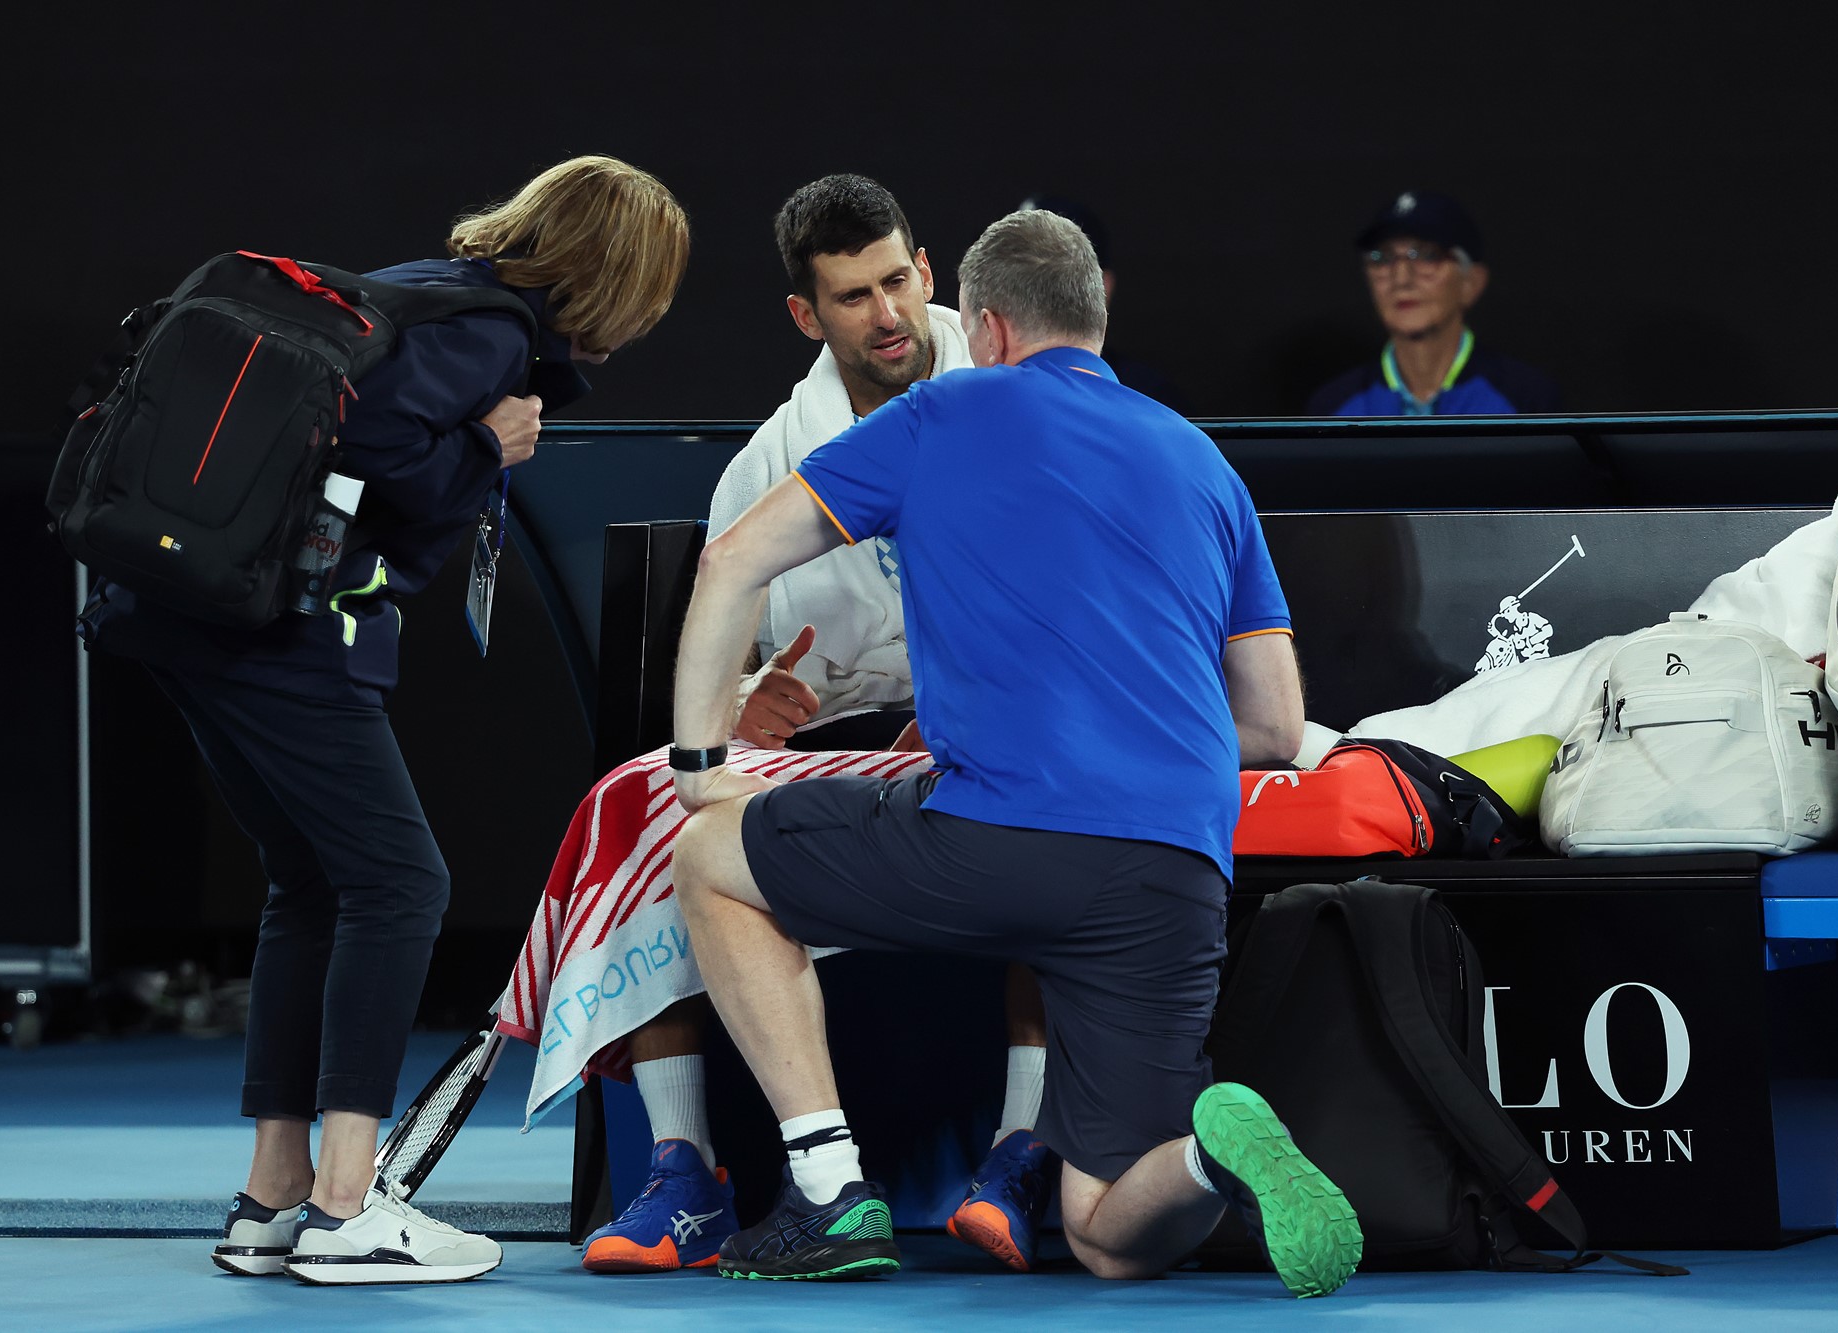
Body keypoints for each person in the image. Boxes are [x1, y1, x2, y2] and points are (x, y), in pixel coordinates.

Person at [665, 208, 1363, 1291]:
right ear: (1097, 312)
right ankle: (1206, 1160)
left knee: (709, 856)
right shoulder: (1199, 457)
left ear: (984, 328)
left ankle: (827, 1190)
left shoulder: (943, 413)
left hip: (996, 845)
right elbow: (1271, 726)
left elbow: (731, 561)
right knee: (1100, 1230)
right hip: (1170, 871)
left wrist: (699, 763)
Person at [77, 155, 689, 1285]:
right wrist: (484, 447)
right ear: (619, 278)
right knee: (401, 885)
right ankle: (348, 1201)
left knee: (311, 883)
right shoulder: (491, 334)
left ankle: (271, 1197)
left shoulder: (422, 286)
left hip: (186, 618)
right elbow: (376, 446)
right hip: (286, 635)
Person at [573, 174, 1058, 1275]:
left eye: (897, 281)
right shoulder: (765, 465)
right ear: (807, 314)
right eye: (852, 297)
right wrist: (745, 700)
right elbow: (727, 650)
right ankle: (683, 1173)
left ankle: (1023, 1152)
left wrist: (968, 705)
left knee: (1062, 785)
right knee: (640, 800)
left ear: (928, 271)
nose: (886, 315)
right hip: (836, 751)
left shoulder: (1028, 397)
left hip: (1001, 730)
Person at [1309, 190, 1561, 416]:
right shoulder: (1333, 407)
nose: (1401, 278)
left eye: (1427, 256)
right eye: (1382, 258)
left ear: (1471, 281)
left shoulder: (1527, 400)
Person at [1018, 192, 1191, 413]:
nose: (1033, 287)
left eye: (1059, 273)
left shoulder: (1152, 401)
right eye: (1018, 270)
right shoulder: (975, 396)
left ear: (1102, 286)